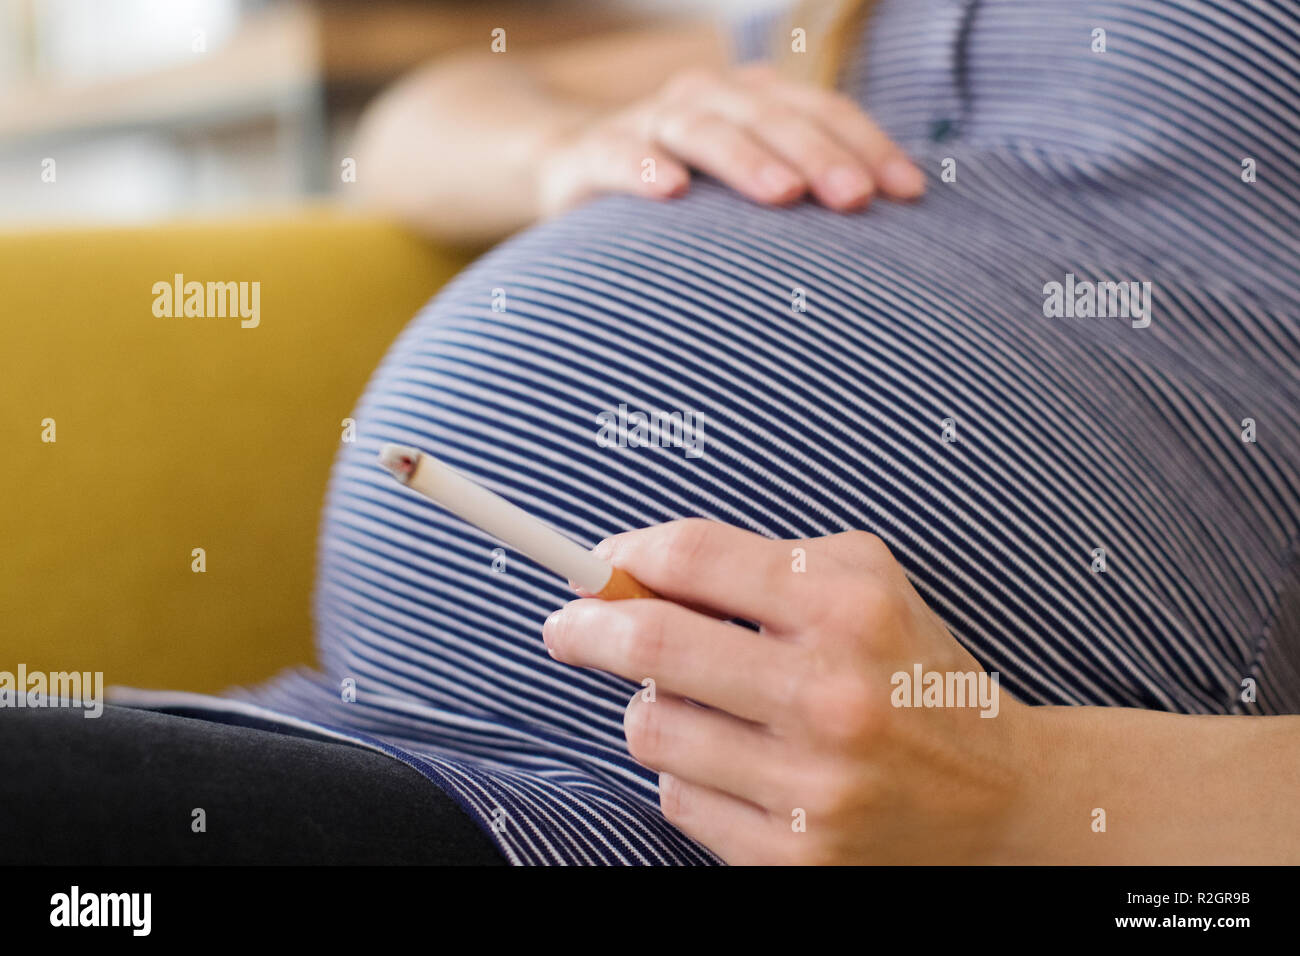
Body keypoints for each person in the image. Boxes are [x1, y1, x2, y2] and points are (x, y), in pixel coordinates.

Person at [9, 0, 1299, 865]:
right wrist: (567, 147)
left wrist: (1030, 785)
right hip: (344, 730)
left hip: (681, 829)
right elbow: (422, 115)